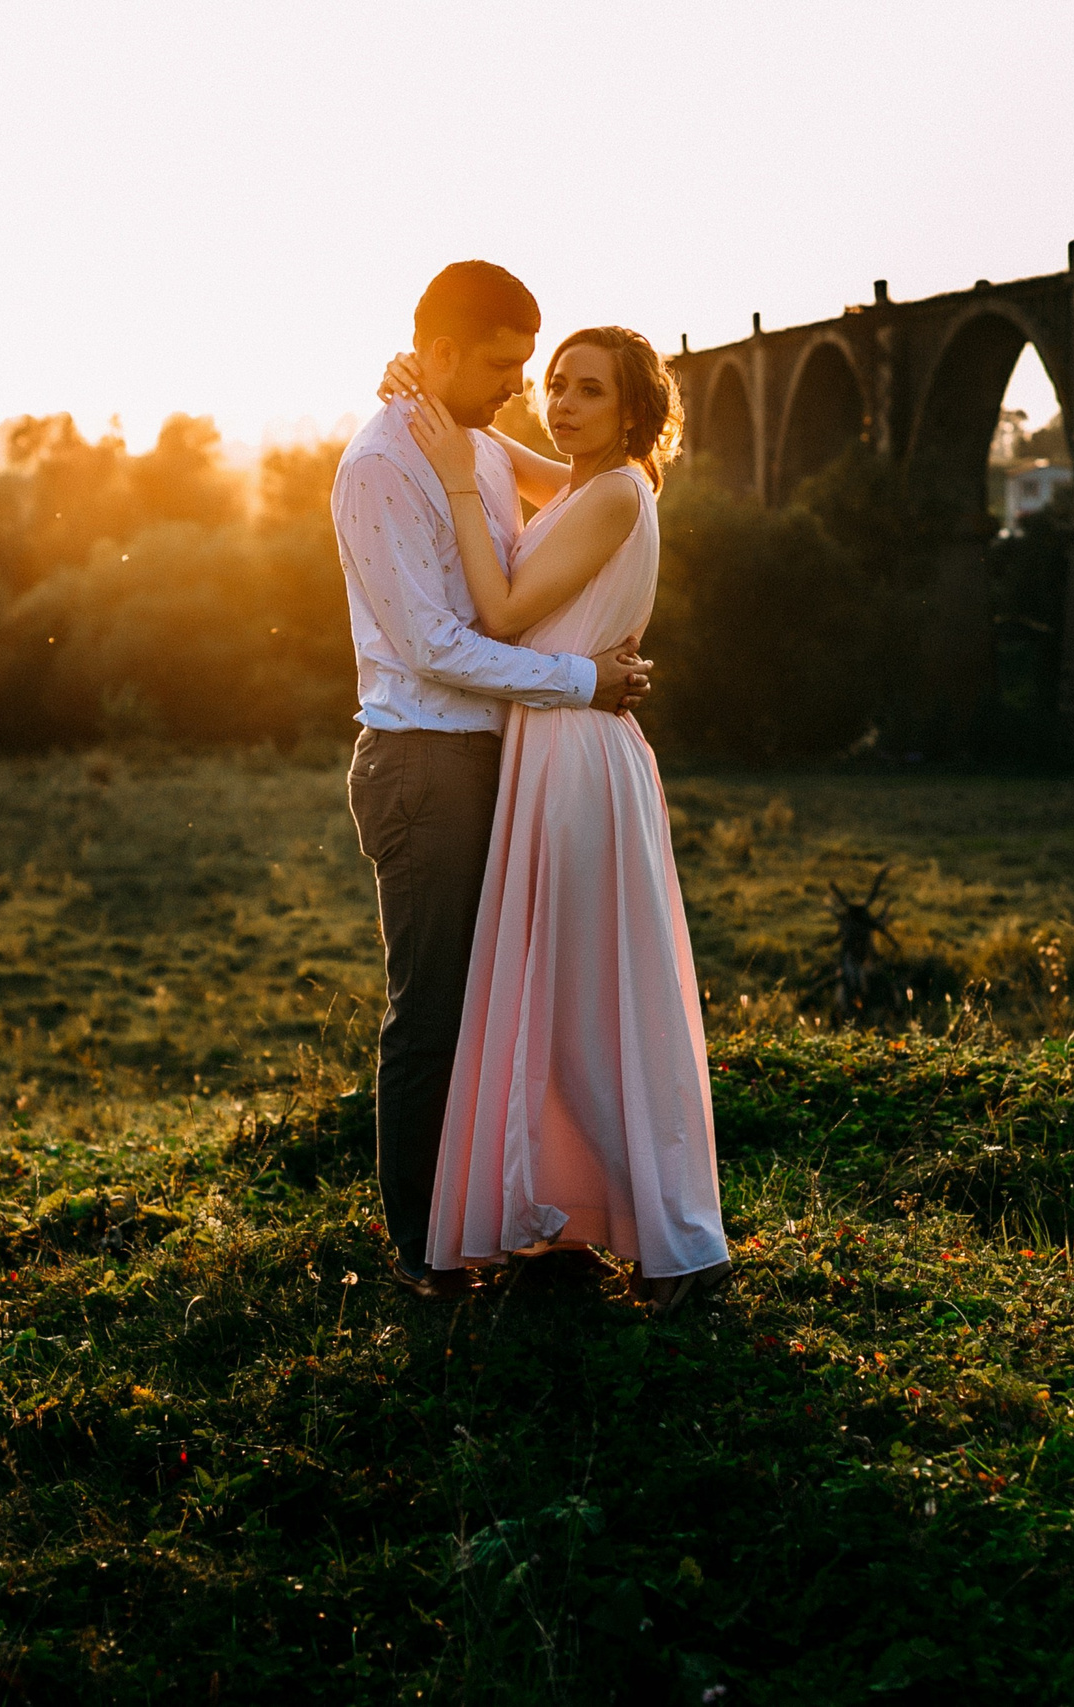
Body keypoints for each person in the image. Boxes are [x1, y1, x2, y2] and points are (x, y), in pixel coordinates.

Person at [387, 323, 733, 1315]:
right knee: (566, 1002)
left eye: (587, 389)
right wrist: (424, 387)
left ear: (632, 410)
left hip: (577, 760)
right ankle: (577, 1220)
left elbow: (497, 615)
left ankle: (683, 1247)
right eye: (552, 385)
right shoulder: (589, 482)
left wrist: (455, 480)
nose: (561, 403)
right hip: (559, 749)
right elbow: (499, 451)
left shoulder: (618, 490)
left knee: (588, 1011)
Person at [332, 261, 652, 1301]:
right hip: (424, 760)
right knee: (432, 1012)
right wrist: (582, 681)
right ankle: (425, 1250)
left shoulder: (462, 439)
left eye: (539, 369)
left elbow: (598, 492)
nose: (524, 389)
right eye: (508, 367)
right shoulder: (381, 465)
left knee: (494, 1006)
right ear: (438, 354)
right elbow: (431, 644)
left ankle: (501, 1216)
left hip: (492, 758)